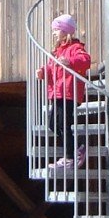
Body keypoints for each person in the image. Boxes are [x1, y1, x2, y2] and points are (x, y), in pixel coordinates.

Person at [39, 13, 93, 172]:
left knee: (63, 124)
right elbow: (51, 69)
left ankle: (70, 156)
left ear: (65, 31)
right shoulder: (57, 51)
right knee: (52, 124)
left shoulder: (75, 48)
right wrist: (43, 72)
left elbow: (85, 61)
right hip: (56, 92)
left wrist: (69, 62)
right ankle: (75, 150)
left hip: (69, 92)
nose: (54, 33)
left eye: (56, 30)